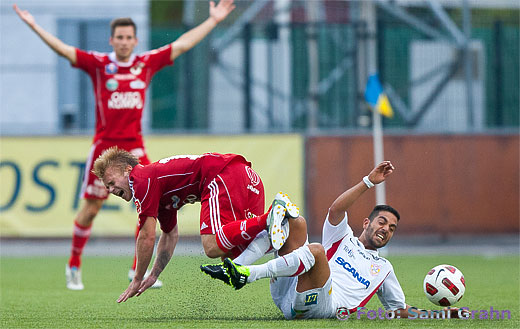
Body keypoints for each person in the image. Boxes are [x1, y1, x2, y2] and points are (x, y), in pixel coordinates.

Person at [13, 0, 236, 291]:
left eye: (129, 37)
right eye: (119, 37)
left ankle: (135, 269)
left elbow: (181, 45)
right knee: (91, 209)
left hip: (134, 149)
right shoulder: (99, 65)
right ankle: (74, 265)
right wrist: (34, 25)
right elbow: (64, 50)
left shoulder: (144, 64)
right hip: (104, 148)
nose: (124, 42)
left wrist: (214, 21)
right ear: (112, 40)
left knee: (147, 204)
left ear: (135, 40)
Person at [201, 161, 466, 319]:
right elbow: (336, 210)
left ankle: (246, 272)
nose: (385, 229)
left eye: (392, 228)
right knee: (293, 220)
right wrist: (368, 182)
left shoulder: (384, 269)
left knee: (316, 251)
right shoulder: (343, 237)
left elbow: (399, 309)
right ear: (367, 223)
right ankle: (237, 267)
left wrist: (442, 313)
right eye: (382, 222)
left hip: (322, 306)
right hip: (288, 291)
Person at [91, 146, 299, 303]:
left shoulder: (141, 180)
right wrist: (154, 275)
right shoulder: (158, 192)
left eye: (111, 182)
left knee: (211, 246)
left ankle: (271, 215)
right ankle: (291, 232)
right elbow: (170, 235)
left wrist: (137, 278)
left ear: (128, 170)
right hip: (245, 175)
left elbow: (146, 236)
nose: (110, 190)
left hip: (220, 175)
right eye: (106, 186)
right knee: (235, 255)